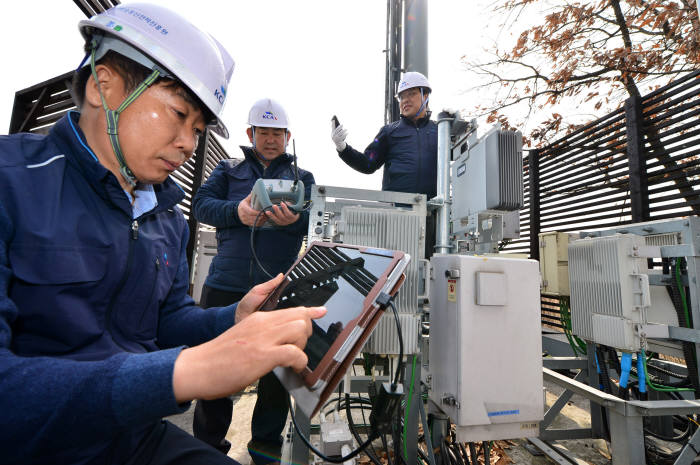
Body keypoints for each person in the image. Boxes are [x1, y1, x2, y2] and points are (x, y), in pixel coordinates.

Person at [0, 4, 324, 465]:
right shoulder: (11, 181)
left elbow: (169, 320)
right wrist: (182, 372)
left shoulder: (165, 217)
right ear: (102, 86)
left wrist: (233, 317)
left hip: (131, 438)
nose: (190, 145)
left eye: (197, 129)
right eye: (177, 115)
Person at [191, 98, 315, 464]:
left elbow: (317, 218)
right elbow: (201, 205)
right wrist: (237, 213)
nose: (272, 139)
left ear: (287, 136)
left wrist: (297, 222)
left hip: (278, 286)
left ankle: (265, 450)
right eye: (265, 131)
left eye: (278, 132)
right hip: (225, 285)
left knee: (276, 376)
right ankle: (208, 450)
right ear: (251, 133)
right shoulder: (228, 170)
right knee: (216, 370)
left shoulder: (301, 178)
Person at [330, 71, 437, 255]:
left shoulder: (440, 131)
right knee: (398, 268)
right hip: (396, 215)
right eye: (402, 96)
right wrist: (343, 148)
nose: (405, 100)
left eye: (411, 94)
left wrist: (454, 126)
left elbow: (461, 158)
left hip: (433, 216)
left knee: (430, 270)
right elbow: (367, 164)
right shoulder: (389, 132)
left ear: (425, 95)